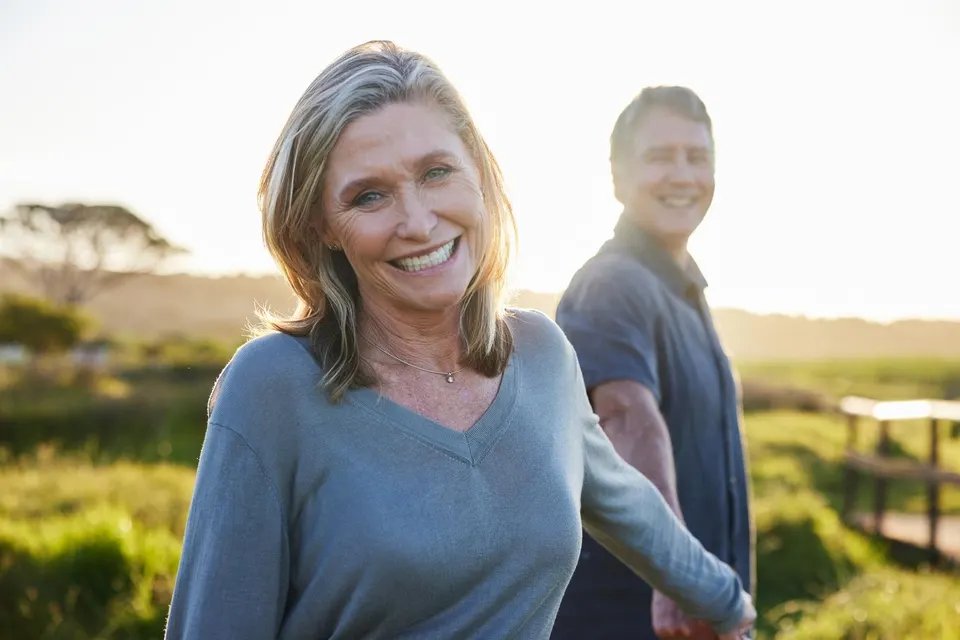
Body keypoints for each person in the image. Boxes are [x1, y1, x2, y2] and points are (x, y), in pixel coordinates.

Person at [164, 44, 755, 640]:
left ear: (479, 174)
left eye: (436, 172)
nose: (419, 222)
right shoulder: (271, 387)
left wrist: (727, 604)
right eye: (369, 195)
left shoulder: (543, 357)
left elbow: (629, 506)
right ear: (322, 226)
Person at [551, 86, 754, 640]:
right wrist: (680, 577)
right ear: (617, 176)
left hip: (700, 615)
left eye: (697, 156)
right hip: (631, 620)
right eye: (660, 156)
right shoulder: (613, 283)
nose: (682, 174)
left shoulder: (683, 289)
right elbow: (624, 415)